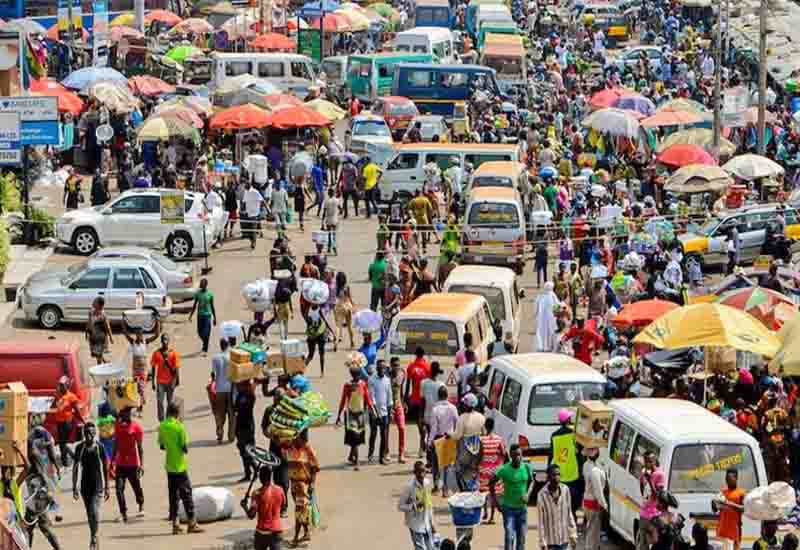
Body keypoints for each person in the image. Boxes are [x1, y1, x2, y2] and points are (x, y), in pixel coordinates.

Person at [158, 401, 203, 535]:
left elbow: (161, 446)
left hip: (169, 466)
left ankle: (175, 524)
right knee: (186, 494)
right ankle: (192, 523)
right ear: (177, 413)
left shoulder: (162, 426)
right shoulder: (179, 427)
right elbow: (184, 448)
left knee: (173, 495)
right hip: (180, 466)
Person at [72, 423, 109, 550]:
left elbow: (105, 466)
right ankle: (94, 535)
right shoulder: (79, 448)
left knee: (94, 510)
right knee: (89, 514)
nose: (89, 435)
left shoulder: (100, 447)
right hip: (84, 487)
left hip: (97, 485)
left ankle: (94, 536)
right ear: (83, 433)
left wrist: (107, 487)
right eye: (86, 432)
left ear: (95, 433)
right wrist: (74, 487)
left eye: (91, 432)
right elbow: (75, 468)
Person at [491, 444, 533, 550]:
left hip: (522, 510)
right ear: (510, 456)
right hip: (508, 509)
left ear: (522, 455)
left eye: (519, 455)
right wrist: (496, 503)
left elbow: (532, 481)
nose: (517, 458)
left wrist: (527, 494)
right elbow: (491, 483)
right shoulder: (504, 469)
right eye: (514, 455)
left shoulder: (527, 468)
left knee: (521, 538)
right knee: (509, 537)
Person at [282, 430, 320, 547]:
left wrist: (312, 484)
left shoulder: (308, 450)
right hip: (294, 484)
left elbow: (315, 467)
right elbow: (281, 448)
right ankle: (306, 532)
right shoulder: (289, 448)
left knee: (299, 511)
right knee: (301, 511)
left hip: (304, 486)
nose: (294, 439)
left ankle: (296, 538)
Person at [336, 365, 376, 470]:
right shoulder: (347, 386)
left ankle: (351, 456)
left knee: (357, 438)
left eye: (357, 374)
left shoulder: (363, 385)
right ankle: (357, 461)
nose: (356, 376)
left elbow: (368, 398)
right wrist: (339, 415)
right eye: (354, 374)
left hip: (361, 414)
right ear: (351, 375)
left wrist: (373, 411)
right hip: (350, 414)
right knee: (354, 438)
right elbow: (343, 400)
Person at [111, 407, 145, 523]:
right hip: (120, 463)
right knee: (119, 489)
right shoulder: (117, 426)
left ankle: (140, 504)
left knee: (136, 487)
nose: (122, 416)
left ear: (129, 414)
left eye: (124, 414)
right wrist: (112, 461)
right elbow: (115, 443)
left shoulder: (136, 428)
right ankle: (123, 512)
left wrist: (141, 464)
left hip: (132, 463)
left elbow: (140, 448)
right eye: (121, 414)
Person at [242, 465, 286, 550]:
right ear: (270, 476)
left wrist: (244, 506)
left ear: (260, 477)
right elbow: (283, 506)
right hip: (276, 530)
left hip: (262, 532)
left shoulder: (257, 493)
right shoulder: (280, 490)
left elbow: (251, 515)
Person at [547, 409, 581, 516]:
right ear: (568, 420)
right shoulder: (573, 434)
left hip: (560, 473)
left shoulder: (554, 435)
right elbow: (578, 451)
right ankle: (572, 516)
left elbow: (551, 454)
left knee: (562, 499)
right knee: (574, 499)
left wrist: (548, 469)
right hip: (573, 472)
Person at [536, 464, 578, 550]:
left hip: (564, 540)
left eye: (558, 474)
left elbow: (569, 513)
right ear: (548, 477)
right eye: (554, 475)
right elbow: (541, 521)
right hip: (550, 542)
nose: (557, 477)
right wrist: (542, 541)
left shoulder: (565, 490)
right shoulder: (541, 495)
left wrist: (573, 534)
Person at [123, 321, 160, 416]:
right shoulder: (133, 342)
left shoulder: (145, 342)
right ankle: (139, 406)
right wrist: (123, 321)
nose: (139, 335)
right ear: (136, 335)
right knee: (136, 388)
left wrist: (157, 321)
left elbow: (157, 334)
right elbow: (125, 333)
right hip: (135, 369)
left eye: (141, 334)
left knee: (141, 388)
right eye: (138, 334)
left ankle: (140, 408)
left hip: (143, 369)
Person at [450, 393, 485, 492]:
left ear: (466, 405)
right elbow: (484, 433)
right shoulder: (481, 417)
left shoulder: (462, 418)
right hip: (478, 450)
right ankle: (474, 491)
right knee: (474, 471)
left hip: (465, 450)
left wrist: (449, 434)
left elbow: (457, 436)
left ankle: (463, 491)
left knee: (459, 471)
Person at [398, 461, 436, 550]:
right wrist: (413, 506)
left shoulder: (427, 483)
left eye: (424, 471)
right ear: (414, 472)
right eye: (419, 471)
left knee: (431, 547)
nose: (422, 474)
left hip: (426, 523)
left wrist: (432, 523)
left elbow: (429, 505)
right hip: (415, 524)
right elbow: (400, 506)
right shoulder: (409, 487)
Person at [428, 386, 458, 496]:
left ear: (438, 396)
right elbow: (457, 423)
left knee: (435, 464)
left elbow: (434, 428)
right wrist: (455, 436)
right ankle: (445, 489)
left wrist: (429, 442)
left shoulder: (435, 409)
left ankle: (436, 487)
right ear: (447, 396)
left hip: (438, 438)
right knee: (447, 465)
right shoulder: (453, 408)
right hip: (449, 438)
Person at [479, 417, 506, 524]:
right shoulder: (499, 439)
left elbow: (479, 454)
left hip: (483, 469)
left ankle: (485, 511)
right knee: (493, 493)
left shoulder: (481, 440)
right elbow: (503, 453)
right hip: (495, 470)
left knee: (484, 492)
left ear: (485, 426)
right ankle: (492, 516)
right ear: (493, 427)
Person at [406, 347, 432, 457]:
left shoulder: (411, 366)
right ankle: (425, 444)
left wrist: (406, 397)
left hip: (415, 399)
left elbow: (408, 383)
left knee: (419, 423)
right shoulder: (428, 366)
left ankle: (422, 446)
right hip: (426, 399)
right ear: (423, 354)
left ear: (415, 354)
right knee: (427, 423)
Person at [637, 451, 666, 550]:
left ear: (654, 461)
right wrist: (643, 479)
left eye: (649, 461)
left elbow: (658, 495)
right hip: (643, 514)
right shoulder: (644, 472)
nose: (646, 464)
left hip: (654, 516)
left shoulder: (660, 475)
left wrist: (650, 481)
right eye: (645, 461)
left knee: (656, 542)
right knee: (643, 545)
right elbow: (642, 490)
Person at [150, 332, 181, 422]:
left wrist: (177, 380)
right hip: (160, 382)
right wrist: (152, 382)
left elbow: (176, 368)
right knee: (159, 401)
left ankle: (168, 419)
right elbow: (153, 367)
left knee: (170, 402)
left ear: (169, 341)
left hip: (170, 381)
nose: (165, 341)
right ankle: (161, 420)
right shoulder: (156, 353)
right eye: (163, 339)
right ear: (161, 341)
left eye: (166, 339)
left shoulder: (173, 353)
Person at [52, 376, 82, 467]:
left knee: (62, 442)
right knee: (62, 443)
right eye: (59, 385)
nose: (60, 387)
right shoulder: (58, 396)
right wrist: (56, 397)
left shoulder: (71, 397)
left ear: (67, 385)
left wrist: (82, 420)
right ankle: (71, 457)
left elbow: (76, 410)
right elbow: (53, 406)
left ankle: (65, 461)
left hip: (67, 423)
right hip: (59, 423)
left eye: (62, 385)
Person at [368, 360, 394, 464]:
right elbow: (371, 397)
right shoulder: (372, 380)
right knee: (373, 434)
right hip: (374, 412)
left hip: (384, 413)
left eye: (384, 368)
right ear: (377, 368)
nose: (382, 370)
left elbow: (389, 396)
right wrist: (375, 412)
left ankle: (381, 457)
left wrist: (390, 411)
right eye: (380, 368)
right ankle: (370, 454)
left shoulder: (387, 380)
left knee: (384, 435)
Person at [713, 468, 745, 550]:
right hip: (721, 532)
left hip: (735, 533)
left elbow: (743, 509)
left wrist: (727, 503)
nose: (727, 481)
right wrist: (714, 503)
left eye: (729, 478)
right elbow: (715, 510)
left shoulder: (741, 493)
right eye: (726, 479)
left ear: (736, 478)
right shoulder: (722, 492)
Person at [582, 447, 607, 550]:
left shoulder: (586, 465)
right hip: (594, 503)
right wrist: (604, 505)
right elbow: (598, 491)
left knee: (591, 529)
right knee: (593, 532)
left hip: (587, 500)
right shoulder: (595, 471)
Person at [211, 338, 235, 444]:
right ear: (228, 345)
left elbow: (213, 374)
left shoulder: (215, 358)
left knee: (220, 414)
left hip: (219, 389)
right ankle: (231, 436)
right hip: (231, 389)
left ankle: (219, 434)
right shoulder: (232, 357)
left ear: (220, 345)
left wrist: (213, 382)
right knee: (232, 414)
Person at [234, 380, 257, 482]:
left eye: (239, 385)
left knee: (248, 451)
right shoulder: (239, 395)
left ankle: (255, 468)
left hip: (247, 427)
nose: (237, 387)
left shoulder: (250, 396)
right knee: (242, 451)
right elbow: (235, 408)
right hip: (240, 427)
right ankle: (248, 473)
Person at [189, 278, 217, 355]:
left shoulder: (210, 294)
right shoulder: (198, 294)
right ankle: (205, 343)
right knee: (199, 332)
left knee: (206, 332)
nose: (200, 285)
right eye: (200, 283)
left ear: (205, 285)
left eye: (201, 283)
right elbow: (194, 305)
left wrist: (214, 318)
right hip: (200, 315)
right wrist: (191, 315)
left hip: (207, 315)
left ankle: (205, 349)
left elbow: (212, 306)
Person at [305, 302, 333, 377]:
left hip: (311, 334)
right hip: (320, 334)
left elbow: (307, 322)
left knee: (311, 355)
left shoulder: (308, 310)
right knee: (321, 354)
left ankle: (302, 370)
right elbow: (325, 322)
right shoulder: (320, 310)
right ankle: (322, 372)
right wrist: (332, 331)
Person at [390, 357, 408, 463]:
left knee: (402, 428)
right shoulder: (386, 375)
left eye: (398, 365)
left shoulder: (402, 373)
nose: (397, 367)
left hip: (398, 405)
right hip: (388, 406)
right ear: (391, 365)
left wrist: (404, 402)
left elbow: (401, 389)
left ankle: (401, 453)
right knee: (386, 431)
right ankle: (386, 452)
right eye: (395, 365)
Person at [86, 297, 113, 364]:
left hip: (100, 337)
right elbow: (89, 323)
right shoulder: (91, 312)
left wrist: (111, 337)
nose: (93, 302)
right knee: (96, 353)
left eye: (95, 301)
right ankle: (104, 361)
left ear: (99, 305)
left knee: (98, 355)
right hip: (93, 337)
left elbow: (108, 326)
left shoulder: (103, 314)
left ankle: (99, 369)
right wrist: (87, 332)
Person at [534, 282, 559, 352]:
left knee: (542, 332)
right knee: (550, 332)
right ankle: (549, 346)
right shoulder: (553, 296)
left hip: (541, 319)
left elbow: (535, 307)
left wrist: (535, 315)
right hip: (551, 319)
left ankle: (542, 346)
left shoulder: (540, 296)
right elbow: (557, 306)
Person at [334, 271, 355, 349]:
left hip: (339, 305)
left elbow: (335, 297)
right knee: (349, 326)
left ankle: (336, 342)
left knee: (338, 326)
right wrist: (353, 307)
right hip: (347, 305)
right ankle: (352, 342)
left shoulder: (336, 287)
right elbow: (350, 297)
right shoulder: (347, 287)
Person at [242, 181, 265, 249]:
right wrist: (241, 209)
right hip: (248, 213)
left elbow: (262, 201)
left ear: (249, 185)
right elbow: (244, 202)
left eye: (245, 185)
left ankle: (253, 242)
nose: (244, 187)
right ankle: (256, 237)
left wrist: (267, 210)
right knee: (250, 229)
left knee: (253, 229)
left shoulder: (255, 192)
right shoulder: (246, 192)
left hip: (255, 213)